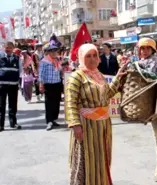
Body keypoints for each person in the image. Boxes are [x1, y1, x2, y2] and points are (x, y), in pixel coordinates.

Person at [65, 43, 127, 185]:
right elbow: (70, 103)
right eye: (88, 56)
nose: (92, 59)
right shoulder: (76, 77)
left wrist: (117, 78)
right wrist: (75, 125)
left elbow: (107, 96)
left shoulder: (99, 75)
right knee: (87, 160)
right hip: (87, 127)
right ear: (81, 58)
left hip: (104, 126)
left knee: (101, 159)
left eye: (95, 55)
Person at [39, 42, 63, 131]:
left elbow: (60, 71)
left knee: (56, 103)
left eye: (55, 51)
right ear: (48, 52)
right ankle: (49, 121)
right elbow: (41, 74)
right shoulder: (44, 61)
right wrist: (41, 84)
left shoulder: (57, 60)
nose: (54, 53)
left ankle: (53, 119)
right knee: (49, 103)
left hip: (57, 84)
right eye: (52, 51)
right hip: (48, 85)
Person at [0, 42, 22, 131]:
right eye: (6, 47)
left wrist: (18, 82)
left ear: (13, 48)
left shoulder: (17, 58)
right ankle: (1, 125)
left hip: (13, 85)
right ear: (4, 48)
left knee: (13, 105)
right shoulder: (0, 57)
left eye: (10, 47)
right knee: (1, 105)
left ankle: (13, 123)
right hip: (2, 85)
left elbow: (20, 71)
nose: (8, 49)